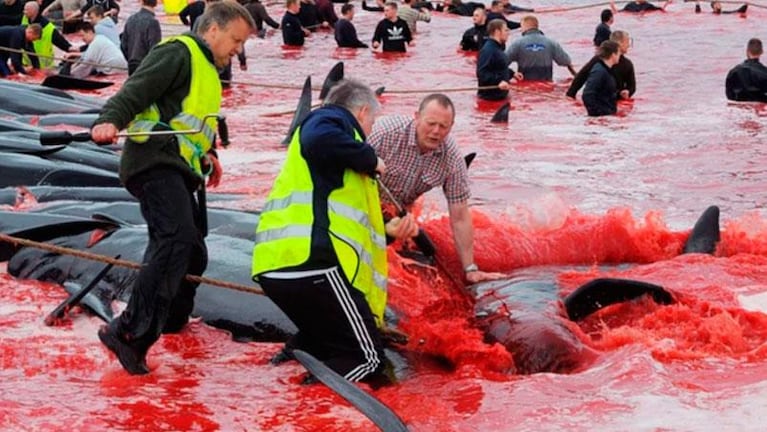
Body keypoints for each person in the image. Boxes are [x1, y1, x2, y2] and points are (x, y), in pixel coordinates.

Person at [90, 1, 255, 375]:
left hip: (181, 167)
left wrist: (209, 155)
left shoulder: (209, 69)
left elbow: (194, 123)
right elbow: (136, 90)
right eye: (235, 40)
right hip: (153, 162)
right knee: (175, 239)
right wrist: (108, 120)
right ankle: (129, 332)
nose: (238, 50)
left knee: (194, 251)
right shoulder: (178, 53)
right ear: (212, 29)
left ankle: (171, 321)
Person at [252, 79, 419, 384]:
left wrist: (389, 231)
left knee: (316, 347)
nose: (369, 132)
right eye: (371, 123)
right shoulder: (331, 119)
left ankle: (283, 397)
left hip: (279, 266)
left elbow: (340, 214)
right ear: (364, 111)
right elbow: (319, 138)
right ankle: (310, 410)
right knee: (368, 360)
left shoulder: (334, 160)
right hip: (314, 264)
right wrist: (371, 159)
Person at [368, 94, 506, 284]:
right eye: (430, 123)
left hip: (399, 212)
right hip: (364, 199)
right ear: (417, 117)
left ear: (451, 126)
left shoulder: (453, 159)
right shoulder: (383, 133)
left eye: (443, 127)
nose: (436, 132)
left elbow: (460, 217)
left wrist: (470, 268)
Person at [567, 30, 635, 100]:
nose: (629, 45)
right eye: (627, 42)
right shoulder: (598, 60)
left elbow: (632, 86)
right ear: (619, 43)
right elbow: (582, 76)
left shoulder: (627, 64)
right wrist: (571, 94)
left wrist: (628, 92)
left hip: (617, 100)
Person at [505, 15, 575, 81]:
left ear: (524, 26)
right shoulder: (551, 42)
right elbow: (565, 61)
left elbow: (501, 63)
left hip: (525, 84)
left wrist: (512, 73)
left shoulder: (517, 43)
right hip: (546, 83)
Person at [61, 21, 125, 78]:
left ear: (90, 32)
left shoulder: (96, 43)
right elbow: (88, 55)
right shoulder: (100, 38)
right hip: (120, 70)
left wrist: (70, 75)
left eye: (82, 35)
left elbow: (86, 63)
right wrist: (74, 54)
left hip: (113, 71)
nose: (82, 39)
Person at [477, 18, 521, 101]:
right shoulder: (488, 50)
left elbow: (498, 67)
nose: (508, 33)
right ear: (497, 32)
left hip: (500, 96)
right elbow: (482, 73)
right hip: (490, 99)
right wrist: (498, 82)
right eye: (506, 30)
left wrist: (512, 73)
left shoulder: (498, 48)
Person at [21, 0, 72, 69]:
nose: (24, 12)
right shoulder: (24, 18)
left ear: (33, 11)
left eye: (26, 10)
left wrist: (75, 52)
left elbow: (63, 44)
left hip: (43, 68)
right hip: (26, 64)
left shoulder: (49, 28)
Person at [120, 0, 161, 75]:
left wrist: (130, 59)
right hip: (146, 66)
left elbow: (123, 44)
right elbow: (155, 48)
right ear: (156, 3)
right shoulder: (153, 22)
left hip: (132, 63)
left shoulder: (131, 19)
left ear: (141, 1)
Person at [582, 40, 622, 117]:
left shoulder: (607, 70)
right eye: (619, 53)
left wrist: (619, 95)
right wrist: (598, 114)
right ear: (613, 54)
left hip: (608, 115)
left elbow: (605, 93)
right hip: (602, 117)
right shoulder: (599, 71)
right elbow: (587, 95)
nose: (620, 56)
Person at [725, 38, 767, 102]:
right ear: (761, 52)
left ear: (747, 51)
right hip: (759, 107)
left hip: (739, 108)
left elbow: (729, 96)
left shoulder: (733, 72)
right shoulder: (764, 72)